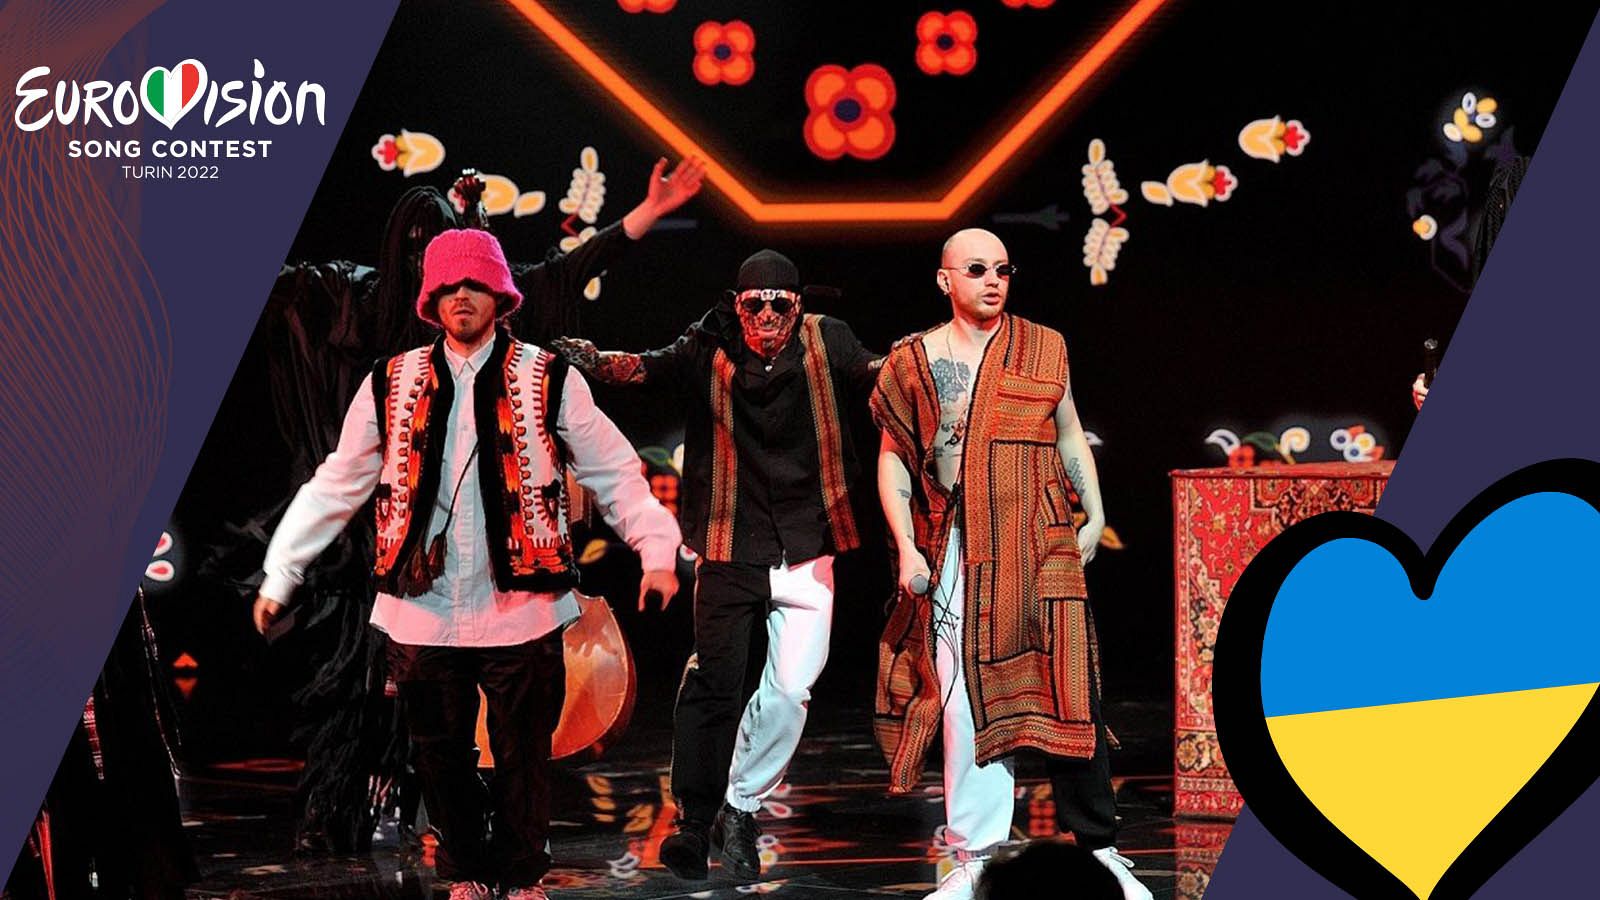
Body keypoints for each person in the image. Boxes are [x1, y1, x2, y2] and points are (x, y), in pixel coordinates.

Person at [207, 157, 704, 854]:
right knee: (439, 753)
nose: (460, 295)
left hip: (520, 604)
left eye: (474, 283)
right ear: (428, 300)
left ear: (500, 296)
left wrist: (656, 549)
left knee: (521, 754)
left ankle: (521, 877)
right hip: (420, 602)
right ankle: (459, 866)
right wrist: (283, 569)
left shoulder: (546, 377)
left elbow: (615, 470)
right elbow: (337, 481)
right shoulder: (388, 379)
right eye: (445, 285)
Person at [554, 250, 881, 882]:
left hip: (806, 545)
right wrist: (592, 360)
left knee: (790, 691)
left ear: (798, 307)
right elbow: (646, 369)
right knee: (715, 682)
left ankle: (741, 803)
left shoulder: (827, 340)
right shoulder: (708, 343)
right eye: (755, 304)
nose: (767, 316)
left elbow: (874, 371)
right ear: (738, 305)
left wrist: (925, 354)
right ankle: (694, 821)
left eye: (780, 305)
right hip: (731, 543)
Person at [871, 229, 1151, 900]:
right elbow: (894, 458)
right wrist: (907, 545)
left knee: (1070, 688)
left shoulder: (1044, 346)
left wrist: (1096, 512)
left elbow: (1068, 430)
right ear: (946, 280)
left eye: (1002, 269)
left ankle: (1101, 850)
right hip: (958, 545)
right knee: (965, 696)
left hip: (1041, 537)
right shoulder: (914, 361)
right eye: (977, 269)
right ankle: (975, 857)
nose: (993, 280)